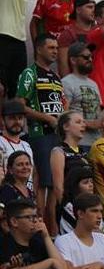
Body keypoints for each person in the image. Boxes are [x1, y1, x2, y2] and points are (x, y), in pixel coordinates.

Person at [17, 33, 65, 216]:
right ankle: (41, 225)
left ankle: (53, 228)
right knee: (44, 184)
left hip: (58, 136)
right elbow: (20, 104)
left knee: (56, 184)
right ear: (38, 49)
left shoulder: (56, 77)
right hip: (40, 134)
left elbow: (62, 104)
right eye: (51, 47)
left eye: (57, 48)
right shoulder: (30, 73)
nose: (55, 51)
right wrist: (47, 118)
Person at [1, 0, 53, 99]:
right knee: (0, 86)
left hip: (19, 40)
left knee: (19, 88)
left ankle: (16, 118)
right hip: (2, 35)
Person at [53, 193, 104, 269]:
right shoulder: (63, 241)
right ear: (80, 214)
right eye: (94, 211)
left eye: (100, 211)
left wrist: (101, 266)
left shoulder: (102, 239)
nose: (99, 216)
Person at [0, 201, 69, 269]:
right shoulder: (3, 244)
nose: (36, 221)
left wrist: (46, 237)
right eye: (30, 217)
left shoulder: (39, 241)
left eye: (36, 216)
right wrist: (49, 263)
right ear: (14, 222)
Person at [48, 111, 88, 233]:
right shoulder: (59, 151)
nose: (83, 125)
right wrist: (68, 210)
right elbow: (58, 187)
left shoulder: (84, 153)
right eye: (78, 122)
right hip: (70, 209)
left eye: (84, 122)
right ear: (65, 127)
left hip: (87, 206)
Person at [61, 42, 101, 148]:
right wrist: (88, 124)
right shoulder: (66, 82)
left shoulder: (94, 84)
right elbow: (64, 114)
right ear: (73, 60)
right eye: (86, 57)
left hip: (97, 143)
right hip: (78, 143)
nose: (90, 60)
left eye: (91, 57)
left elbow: (98, 110)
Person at [56, 0, 94, 76]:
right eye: (89, 7)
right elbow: (64, 68)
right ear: (78, 10)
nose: (94, 10)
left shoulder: (99, 31)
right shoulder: (68, 34)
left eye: (95, 7)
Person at [0, 100, 33, 170]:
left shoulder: (27, 146)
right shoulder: (1, 142)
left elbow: (33, 173)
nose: (17, 121)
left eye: (20, 118)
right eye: (12, 118)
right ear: (3, 120)